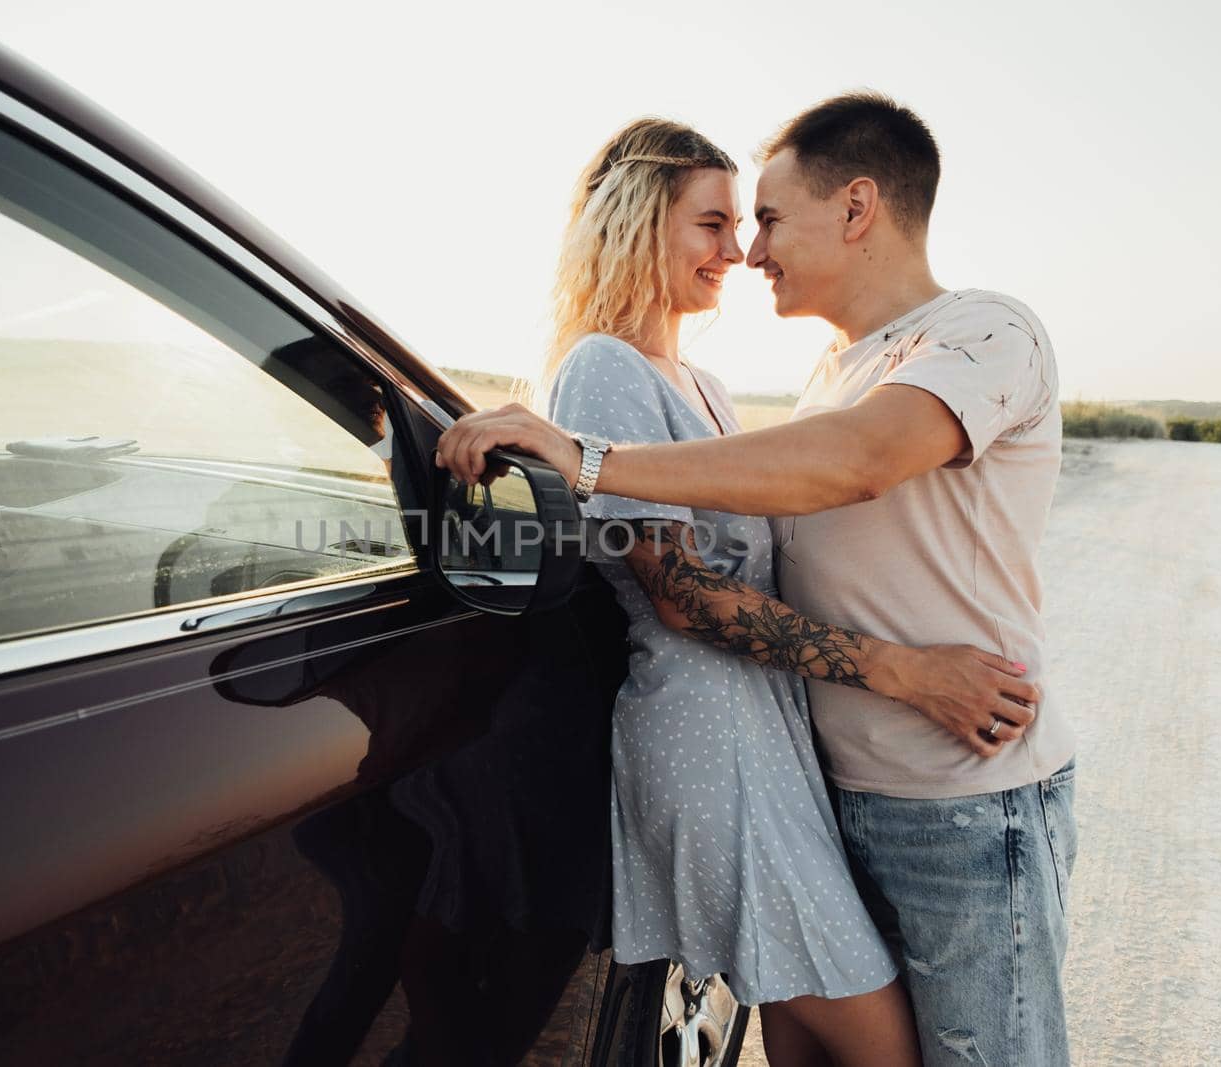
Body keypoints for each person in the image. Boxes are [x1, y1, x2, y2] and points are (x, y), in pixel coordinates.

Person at [437, 94, 1076, 1066]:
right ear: (638, 224)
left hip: (921, 782)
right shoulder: (626, 369)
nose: (743, 248)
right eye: (718, 221)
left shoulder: (966, 337)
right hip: (736, 738)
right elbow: (680, 587)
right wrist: (901, 671)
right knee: (848, 1034)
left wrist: (588, 458)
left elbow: (849, 462)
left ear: (856, 208)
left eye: (759, 219)